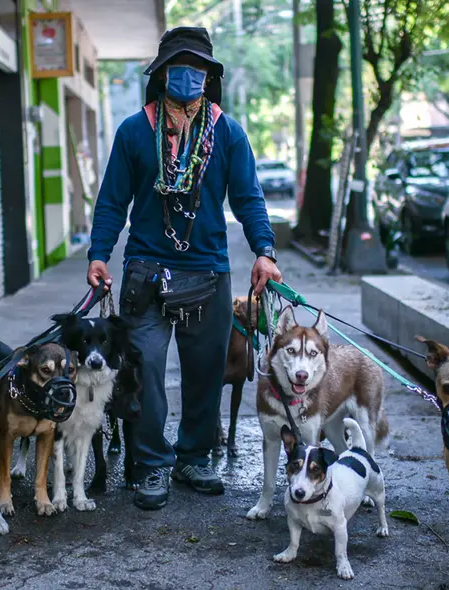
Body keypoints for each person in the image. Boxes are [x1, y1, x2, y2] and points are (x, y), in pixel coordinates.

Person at [87, 26, 281, 511]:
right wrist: (97, 253)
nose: (189, 77)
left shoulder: (229, 133)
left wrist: (265, 250)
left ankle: (195, 456)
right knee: (146, 367)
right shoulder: (134, 130)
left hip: (209, 270)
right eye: (181, 67)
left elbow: (249, 197)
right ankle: (151, 463)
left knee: (205, 371)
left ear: (208, 76)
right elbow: (112, 201)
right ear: (162, 74)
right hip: (146, 271)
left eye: (198, 69)